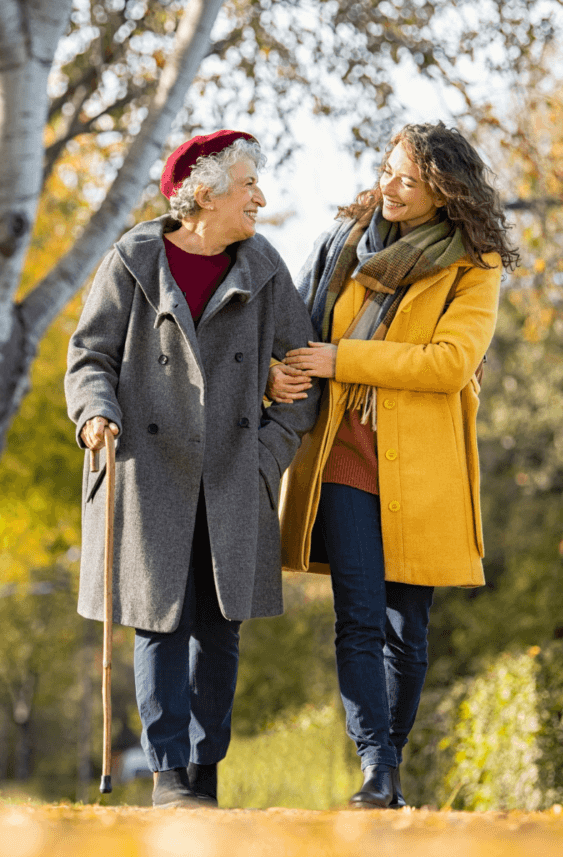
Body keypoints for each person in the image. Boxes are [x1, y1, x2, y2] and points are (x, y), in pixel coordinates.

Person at [64, 130, 321, 808]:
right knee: (160, 620)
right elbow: (90, 357)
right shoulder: (133, 260)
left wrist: (267, 456)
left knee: (220, 626)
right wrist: (94, 412)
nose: (260, 199)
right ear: (203, 196)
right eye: (247, 187)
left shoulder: (264, 266)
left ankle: (206, 770)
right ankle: (169, 772)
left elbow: (303, 374)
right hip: (150, 469)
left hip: (235, 472)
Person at [270, 122, 519, 808]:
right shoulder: (347, 242)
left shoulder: (474, 265)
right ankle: (376, 769)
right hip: (345, 450)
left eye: (408, 181)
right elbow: (298, 323)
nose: (389, 187)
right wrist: (281, 368)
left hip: (424, 468)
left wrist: (343, 359)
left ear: (444, 194)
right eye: (388, 170)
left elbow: (448, 363)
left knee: (408, 628)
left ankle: (391, 764)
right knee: (359, 615)